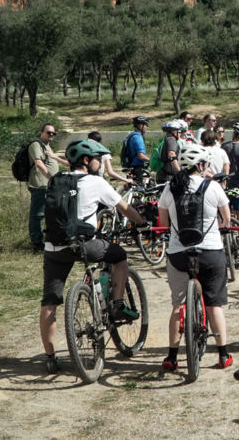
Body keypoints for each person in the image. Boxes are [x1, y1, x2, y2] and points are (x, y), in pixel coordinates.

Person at [39, 139, 148, 373]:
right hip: (83, 245)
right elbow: (124, 208)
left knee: (49, 303)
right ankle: (117, 304)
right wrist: (142, 222)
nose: (100, 163)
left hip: (53, 247)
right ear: (86, 161)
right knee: (119, 256)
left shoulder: (55, 180)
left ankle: (50, 358)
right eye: (98, 159)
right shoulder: (95, 182)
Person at [158, 145, 233, 371]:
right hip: (210, 253)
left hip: (179, 254)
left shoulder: (169, 189)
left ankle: (172, 357)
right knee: (214, 305)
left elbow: (163, 223)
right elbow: (227, 219)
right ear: (201, 165)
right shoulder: (213, 187)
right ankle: (223, 355)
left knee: (177, 304)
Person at [27, 124, 63, 251]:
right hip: (40, 185)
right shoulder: (36, 145)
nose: (51, 135)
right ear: (41, 132)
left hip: (47, 185)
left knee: (50, 213)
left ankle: (49, 239)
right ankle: (37, 242)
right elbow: (38, 163)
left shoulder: (46, 145)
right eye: (49, 132)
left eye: (53, 133)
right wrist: (51, 177)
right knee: (37, 214)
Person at [124, 116, 151, 180]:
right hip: (137, 167)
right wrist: (152, 161)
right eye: (146, 125)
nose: (147, 127)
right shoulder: (138, 138)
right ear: (141, 126)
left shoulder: (132, 135)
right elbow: (141, 156)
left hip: (132, 165)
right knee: (144, 186)